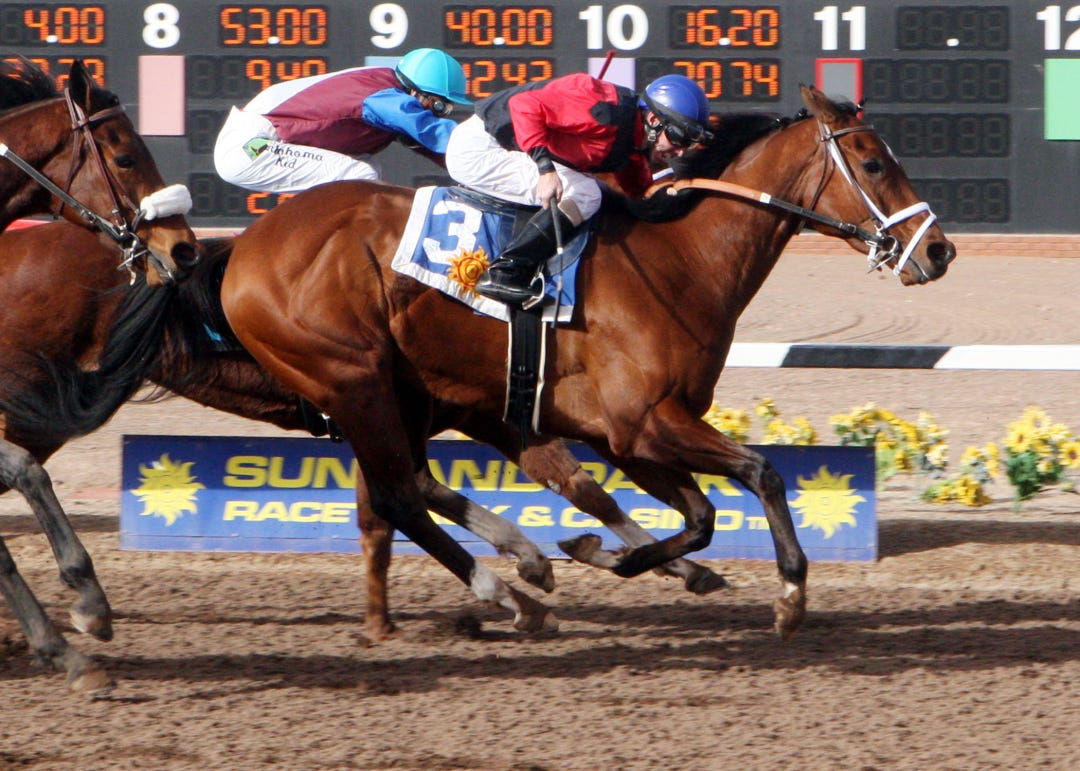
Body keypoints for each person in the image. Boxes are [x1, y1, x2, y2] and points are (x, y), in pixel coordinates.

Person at [444, 72, 712, 305]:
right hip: (480, 149)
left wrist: (665, 199)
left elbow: (637, 189)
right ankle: (505, 271)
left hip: (506, 148)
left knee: (593, 192)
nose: (680, 151)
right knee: (586, 193)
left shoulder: (633, 140)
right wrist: (545, 169)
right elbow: (523, 105)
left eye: (688, 144)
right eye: (679, 137)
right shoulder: (602, 108)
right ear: (654, 119)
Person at [214, 48, 471, 194]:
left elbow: (438, 149)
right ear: (415, 91)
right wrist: (481, 144)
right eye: (438, 105)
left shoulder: (385, 87)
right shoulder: (384, 98)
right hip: (251, 147)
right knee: (362, 174)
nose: (439, 113)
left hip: (257, 141)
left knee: (368, 168)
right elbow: (431, 131)